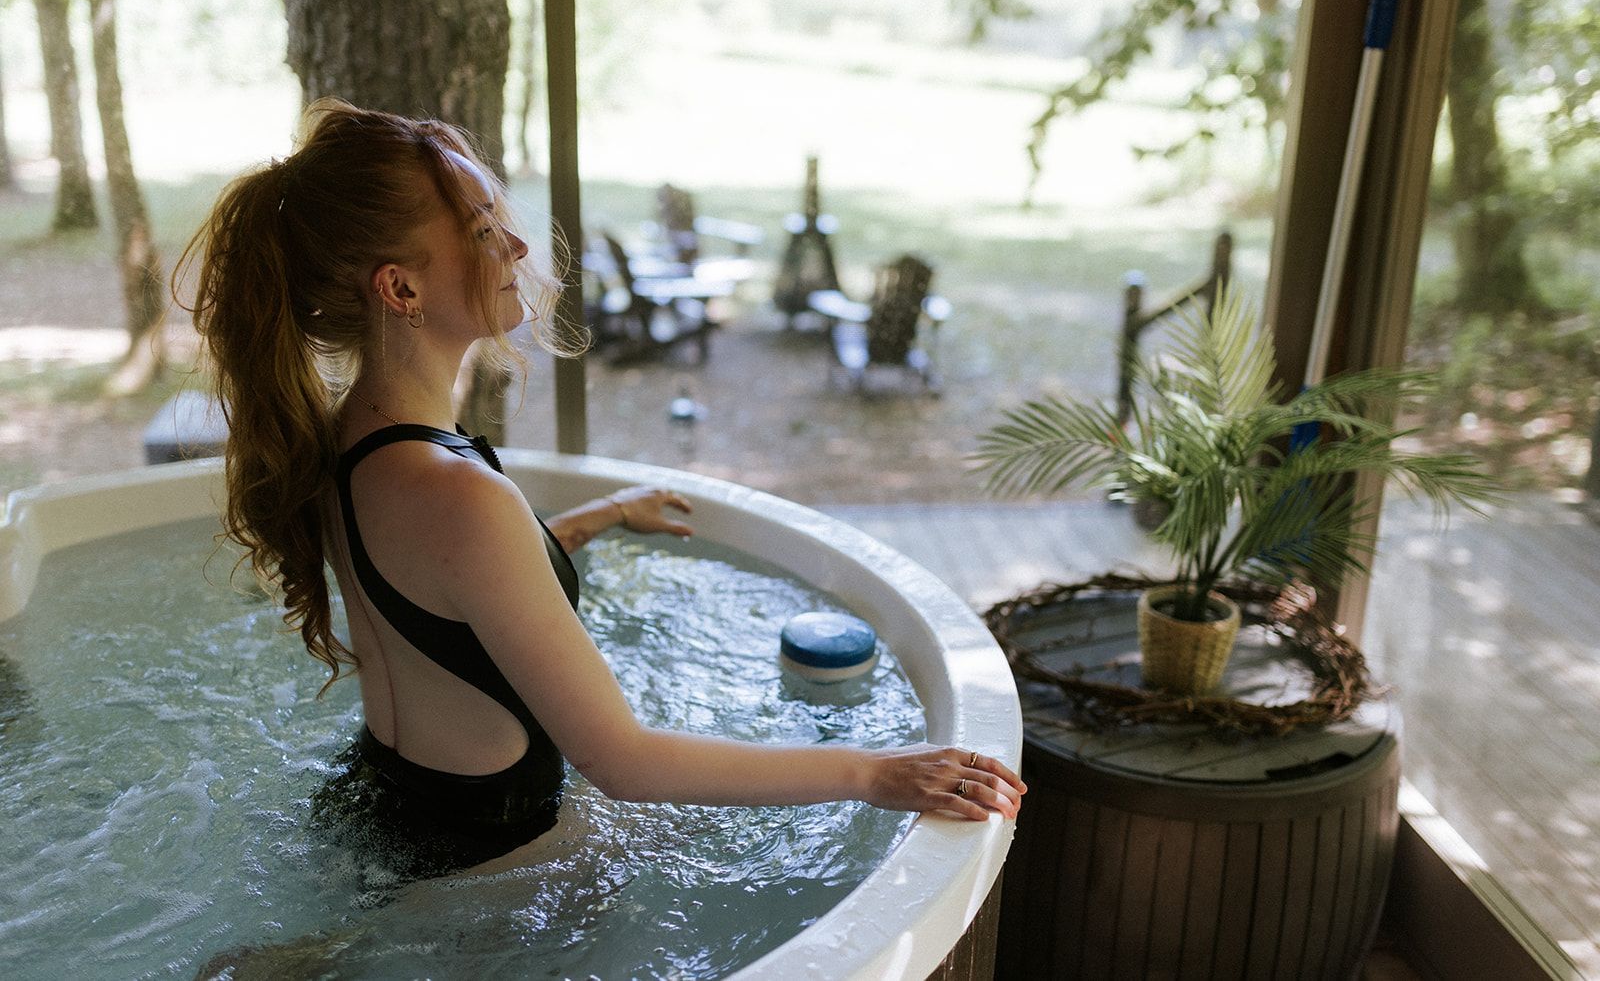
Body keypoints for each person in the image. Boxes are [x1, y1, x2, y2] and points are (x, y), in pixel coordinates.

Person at [179, 99, 1024, 883]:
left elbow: (449, 589)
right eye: (480, 228)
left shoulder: (352, 442)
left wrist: (603, 516)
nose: (512, 247)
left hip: (380, 805)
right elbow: (623, 761)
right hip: (485, 867)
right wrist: (872, 772)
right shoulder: (459, 496)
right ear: (400, 287)